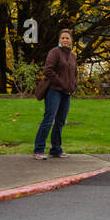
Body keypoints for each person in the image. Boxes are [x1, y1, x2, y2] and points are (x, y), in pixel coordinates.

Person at [33, 29, 76, 160]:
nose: (65, 40)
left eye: (67, 38)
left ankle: (56, 149)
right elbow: (48, 70)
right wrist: (61, 83)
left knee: (60, 121)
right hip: (54, 91)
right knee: (48, 120)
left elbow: (75, 73)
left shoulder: (72, 56)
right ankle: (38, 150)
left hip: (66, 93)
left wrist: (73, 85)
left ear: (71, 40)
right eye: (62, 38)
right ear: (59, 40)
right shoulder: (54, 52)